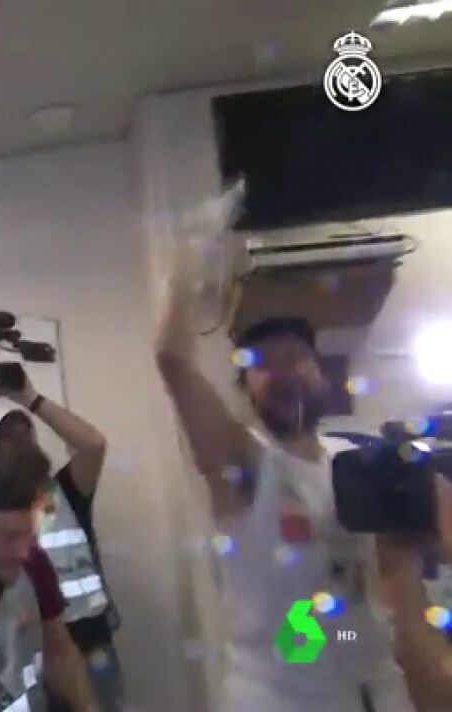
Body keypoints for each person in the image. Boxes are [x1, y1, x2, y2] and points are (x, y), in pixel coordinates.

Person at [154, 235, 424, 712]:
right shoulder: (246, 465)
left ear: (322, 374)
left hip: (375, 690)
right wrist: (190, 258)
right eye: (264, 363)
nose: (285, 371)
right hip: (279, 698)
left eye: (297, 357)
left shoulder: (354, 462)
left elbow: (384, 582)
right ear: (246, 390)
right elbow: (173, 361)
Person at [0, 360, 123, 712]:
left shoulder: (64, 492)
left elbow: (93, 445)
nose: (23, 550)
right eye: (5, 440)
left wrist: (29, 398)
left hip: (84, 641)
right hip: (21, 649)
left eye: (23, 433)